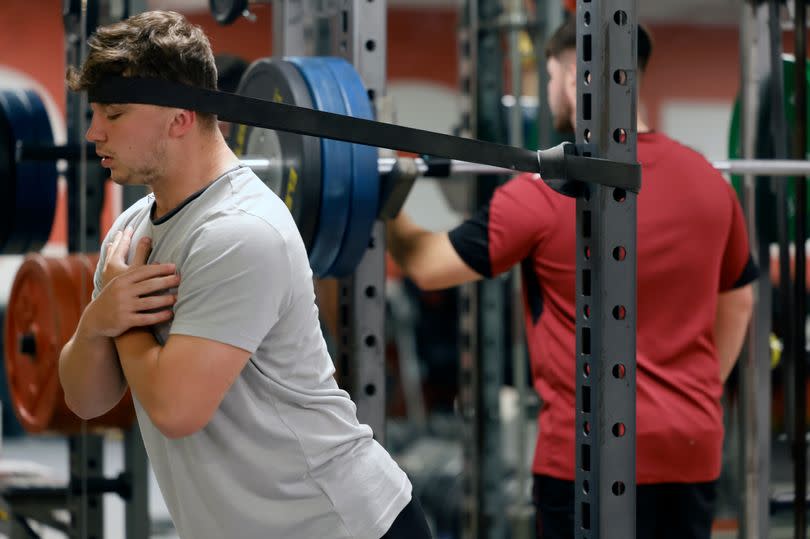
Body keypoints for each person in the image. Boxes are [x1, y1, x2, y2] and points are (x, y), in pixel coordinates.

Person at [57, 10, 431, 539]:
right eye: (94, 112)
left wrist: (127, 319)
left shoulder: (242, 232)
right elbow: (85, 400)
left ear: (181, 115)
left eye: (114, 113)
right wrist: (98, 322)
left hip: (342, 525)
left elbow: (174, 408)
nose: (94, 132)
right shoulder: (132, 228)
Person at [386, 17, 756, 539]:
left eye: (552, 75)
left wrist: (386, 197)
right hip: (689, 447)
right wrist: (687, 395)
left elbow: (426, 266)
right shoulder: (711, 181)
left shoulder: (544, 194)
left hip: (581, 455)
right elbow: (739, 300)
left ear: (573, 76)